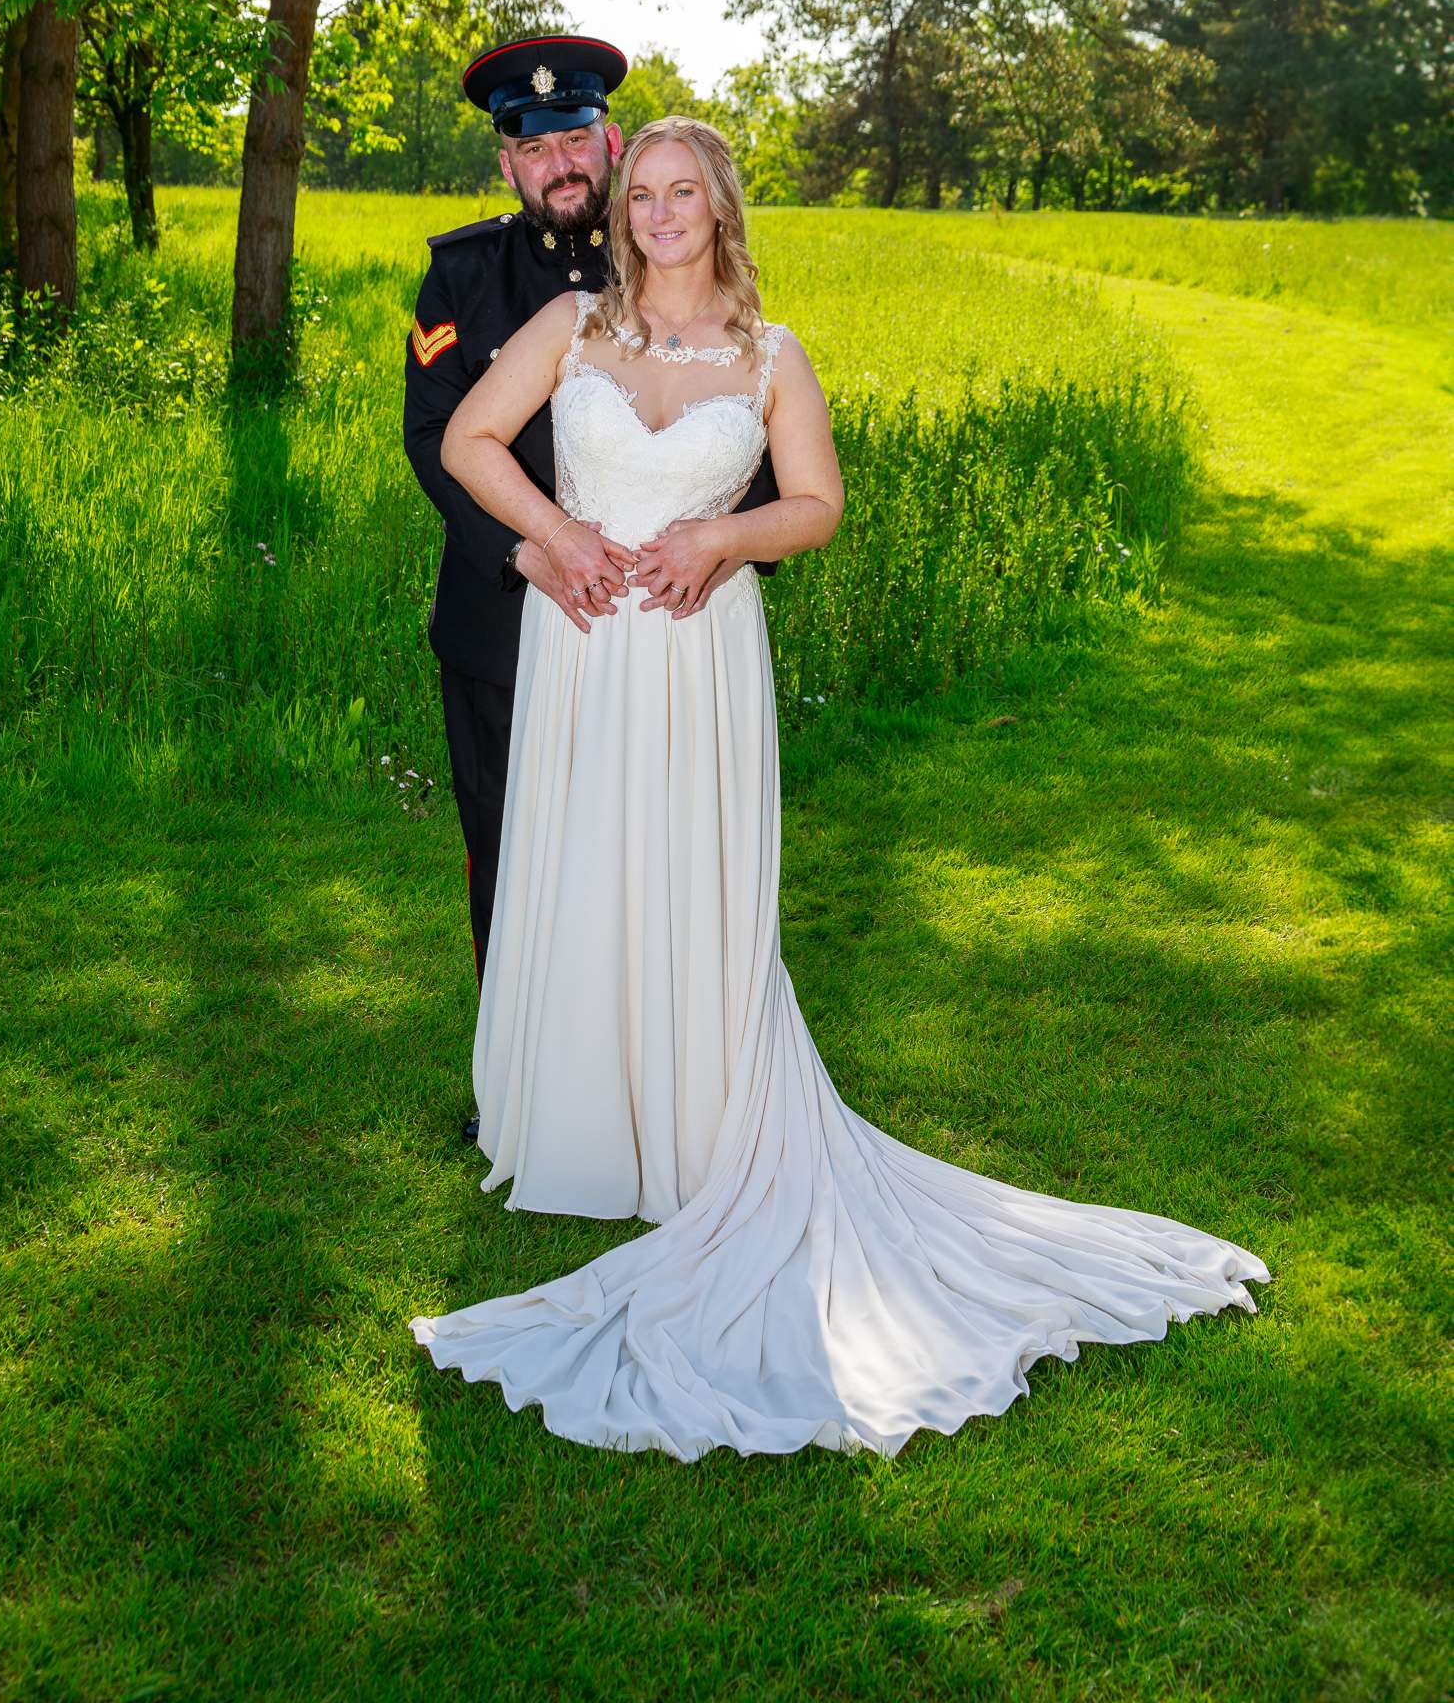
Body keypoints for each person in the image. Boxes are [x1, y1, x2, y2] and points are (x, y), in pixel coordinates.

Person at [408, 115, 1271, 1462]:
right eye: (643, 193)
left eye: (684, 192)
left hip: (696, 653)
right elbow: (467, 442)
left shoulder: (769, 355)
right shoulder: (568, 328)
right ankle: (576, 1128)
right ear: (621, 210)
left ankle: (696, 1135)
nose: (659, 213)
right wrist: (555, 535)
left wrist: (719, 536)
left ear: (721, 208)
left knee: (686, 882)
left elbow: (815, 503)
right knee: (581, 871)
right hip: (583, 651)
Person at [402, 38, 781, 1144]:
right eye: (536, 147)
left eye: (577, 137)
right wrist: (526, 550)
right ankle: (524, 1090)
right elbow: (438, 439)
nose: (561, 161)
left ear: (609, 141)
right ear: (508, 163)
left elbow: (746, 436)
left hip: (659, 630)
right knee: (514, 851)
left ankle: (655, 1081)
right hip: (504, 625)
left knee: (655, 853)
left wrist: (719, 545)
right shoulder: (464, 278)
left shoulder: (674, 264)